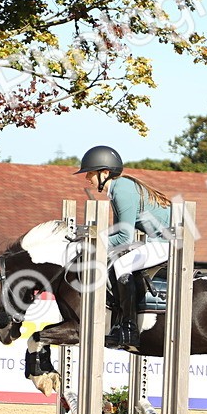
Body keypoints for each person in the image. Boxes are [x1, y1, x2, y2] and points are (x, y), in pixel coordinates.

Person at [74, 146, 172, 350]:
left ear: (105, 173)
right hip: (156, 240)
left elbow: (124, 236)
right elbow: (118, 232)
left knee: (121, 265)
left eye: (90, 173)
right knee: (115, 259)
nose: (87, 178)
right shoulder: (118, 189)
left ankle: (129, 329)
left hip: (167, 242)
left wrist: (95, 246)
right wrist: (92, 239)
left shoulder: (122, 190)